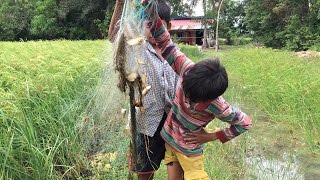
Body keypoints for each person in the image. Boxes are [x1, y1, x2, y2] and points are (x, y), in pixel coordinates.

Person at [142, 1, 253, 179]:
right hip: (170, 141)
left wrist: (212, 136)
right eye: (186, 90)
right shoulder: (186, 69)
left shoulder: (218, 105)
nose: (187, 100)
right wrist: (150, 7)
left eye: (194, 100)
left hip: (190, 150)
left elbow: (245, 123)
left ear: (210, 98)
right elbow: (164, 40)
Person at [108, 0, 178, 179]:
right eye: (149, 25)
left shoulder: (175, 54)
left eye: (159, 25)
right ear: (142, 26)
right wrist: (119, 4)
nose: (154, 31)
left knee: (178, 169)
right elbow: (114, 36)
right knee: (145, 173)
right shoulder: (137, 48)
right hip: (146, 126)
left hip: (173, 123)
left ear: (168, 26)